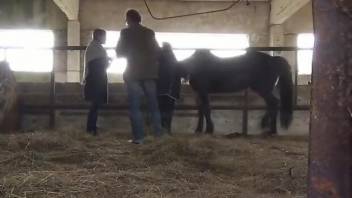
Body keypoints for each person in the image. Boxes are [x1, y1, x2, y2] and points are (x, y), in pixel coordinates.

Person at [116, 9, 162, 144]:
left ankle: (139, 138)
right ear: (139, 19)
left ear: (128, 19)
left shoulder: (125, 33)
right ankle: (159, 136)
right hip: (150, 74)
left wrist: (131, 54)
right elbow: (158, 52)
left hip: (133, 74)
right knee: (153, 106)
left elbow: (119, 52)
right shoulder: (149, 32)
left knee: (135, 106)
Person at [83, 29, 110, 136]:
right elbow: (98, 64)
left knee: (96, 104)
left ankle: (92, 126)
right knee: (95, 104)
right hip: (96, 79)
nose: (105, 39)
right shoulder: (95, 48)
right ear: (99, 36)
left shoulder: (95, 47)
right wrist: (107, 61)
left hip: (96, 78)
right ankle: (91, 128)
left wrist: (106, 61)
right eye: (104, 36)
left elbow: (99, 63)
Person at [157, 42, 181, 134]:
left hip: (160, 91)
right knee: (169, 111)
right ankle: (167, 130)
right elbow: (178, 77)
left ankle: (161, 130)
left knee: (160, 110)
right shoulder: (174, 60)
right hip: (171, 92)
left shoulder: (159, 60)